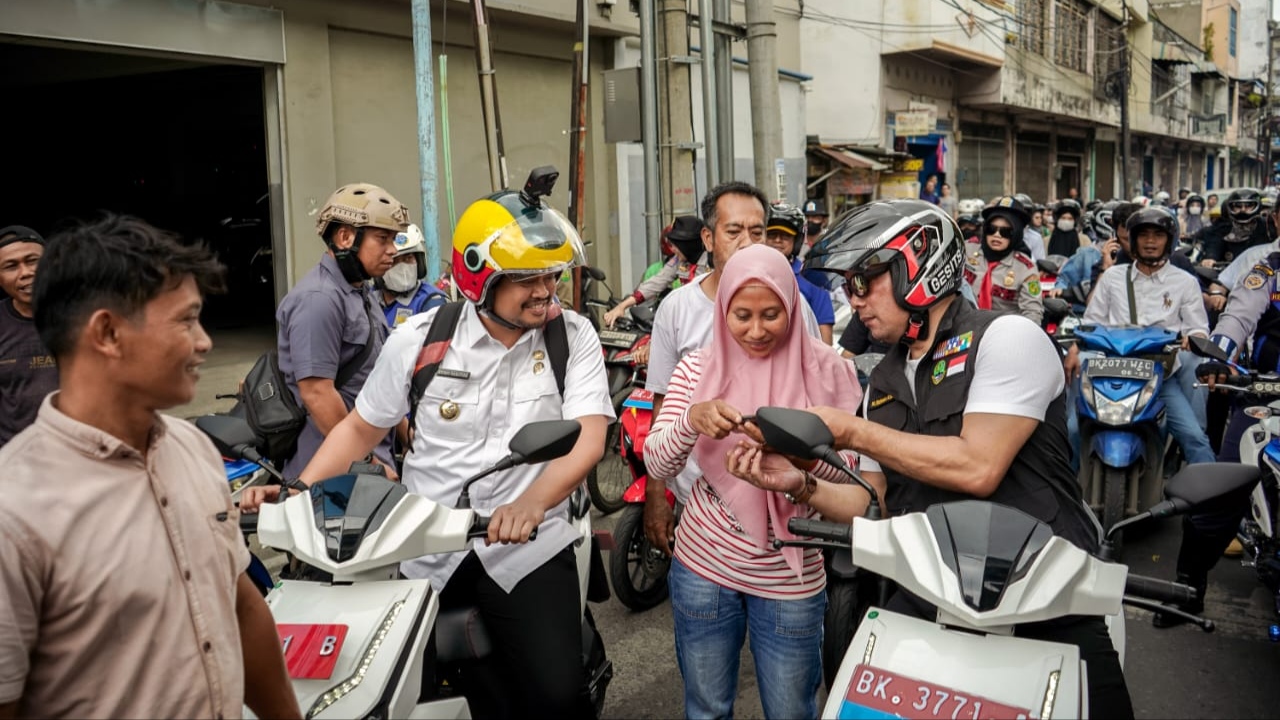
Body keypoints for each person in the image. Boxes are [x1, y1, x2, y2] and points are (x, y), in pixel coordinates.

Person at [243, 179, 613, 719]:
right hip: (422, 549)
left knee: (557, 698)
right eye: (526, 278)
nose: (546, 290)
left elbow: (587, 436)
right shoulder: (417, 340)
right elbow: (358, 431)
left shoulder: (571, 336)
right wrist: (298, 490)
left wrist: (532, 504)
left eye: (552, 275)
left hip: (524, 547)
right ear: (478, 277)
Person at [757, 198, 1132, 718]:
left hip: (1046, 598)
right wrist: (798, 485)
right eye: (848, 286)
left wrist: (852, 431)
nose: (855, 299)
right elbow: (878, 503)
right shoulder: (882, 384)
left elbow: (978, 466)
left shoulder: (1005, 338)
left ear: (919, 268)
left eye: (865, 281)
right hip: (931, 595)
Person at [0, 214, 299, 719]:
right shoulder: (16, 511)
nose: (204, 342)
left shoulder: (193, 448)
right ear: (108, 333)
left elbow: (240, 605)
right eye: (185, 321)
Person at [644, 244, 863, 719]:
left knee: (792, 711)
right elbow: (657, 463)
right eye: (742, 315)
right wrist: (690, 421)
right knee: (706, 709)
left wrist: (796, 458)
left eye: (772, 315)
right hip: (704, 567)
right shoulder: (697, 369)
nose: (757, 330)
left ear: (791, 306)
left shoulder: (827, 370)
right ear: (722, 310)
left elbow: (853, 481)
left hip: (792, 575)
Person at [643, 181, 821, 556]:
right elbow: (661, 407)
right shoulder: (676, 309)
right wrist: (656, 497)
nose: (747, 242)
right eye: (734, 231)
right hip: (698, 503)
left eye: (757, 232)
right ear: (708, 238)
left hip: (779, 504)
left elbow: (818, 404)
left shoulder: (795, 307)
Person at [1173, 240, 1280, 627]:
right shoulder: (1267, 269)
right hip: (1267, 393)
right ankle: (1187, 593)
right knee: (1223, 492)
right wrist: (1218, 359)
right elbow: (1237, 318)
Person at [276, 182, 410, 477]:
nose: (392, 251)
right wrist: (368, 465)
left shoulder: (362, 294)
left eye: (394, 239)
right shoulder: (318, 299)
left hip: (373, 460)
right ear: (346, 237)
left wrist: (410, 438)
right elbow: (317, 393)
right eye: (382, 239)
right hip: (335, 474)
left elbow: (379, 380)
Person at [1065, 208, 1216, 466]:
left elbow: (1198, 328)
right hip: (1108, 371)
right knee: (1072, 430)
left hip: (1159, 376)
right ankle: (1066, 492)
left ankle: (1213, 503)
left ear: (1169, 240)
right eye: (1143, 235)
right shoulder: (1113, 276)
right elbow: (1091, 323)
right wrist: (1075, 348)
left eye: (1157, 235)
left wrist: (1194, 338)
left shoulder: (1185, 282)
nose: (1150, 241)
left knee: (1194, 438)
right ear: (1132, 240)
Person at [0, 226, 57, 447]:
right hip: (16, 461)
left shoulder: (84, 315)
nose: (25, 272)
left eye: (32, 260)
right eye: (11, 266)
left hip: (80, 457)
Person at [603, 215, 707, 328]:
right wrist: (622, 306)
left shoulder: (712, 262)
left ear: (688, 245)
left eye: (677, 245)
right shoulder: (679, 261)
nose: (673, 249)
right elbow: (656, 282)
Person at [763, 202, 835, 344]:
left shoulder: (812, 276)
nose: (777, 240)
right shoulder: (751, 274)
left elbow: (825, 335)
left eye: (785, 236)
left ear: (796, 241)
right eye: (772, 235)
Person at [963, 203, 1044, 325]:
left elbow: (1032, 313)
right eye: (992, 229)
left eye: (1005, 232)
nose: (997, 235)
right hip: (962, 328)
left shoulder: (1026, 269)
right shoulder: (966, 250)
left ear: (1015, 235)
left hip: (1002, 334)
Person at [380, 223, 448, 328]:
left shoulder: (432, 302)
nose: (402, 267)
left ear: (419, 262)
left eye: (408, 258)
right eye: (394, 260)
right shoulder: (368, 298)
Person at [1191, 188, 1270, 267]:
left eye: (1248, 206)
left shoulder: (1267, 227)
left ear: (1257, 206)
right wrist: (1211, 258)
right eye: (1238, 206)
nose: (1243, 210)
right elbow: (1215, 244)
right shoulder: (1224, 227)